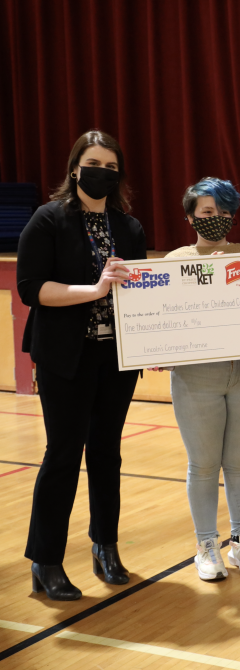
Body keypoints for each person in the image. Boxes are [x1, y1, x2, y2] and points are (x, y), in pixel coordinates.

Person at [17, 130, 146, 600]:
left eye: (112, 167)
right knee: (63, 455)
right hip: (64, 359)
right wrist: (93, 291)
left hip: (116, 357)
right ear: (75, 168)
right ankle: (46, 560)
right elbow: (32, 289)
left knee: (107, 452)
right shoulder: (48, 219)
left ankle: (105, 547)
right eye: (95, 164)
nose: (103, 173)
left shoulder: (128, 227)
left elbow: (142, 294)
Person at [160, 178, 240, 582]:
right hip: (196, 377)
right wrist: (157, 349)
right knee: (204, 465)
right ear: (190, 217)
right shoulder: (174, 261)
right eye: (207, 212)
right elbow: (160, 320)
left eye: (224, 212)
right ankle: (206, 545)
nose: (216, 219)